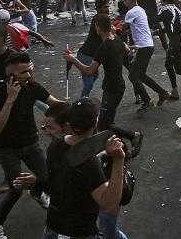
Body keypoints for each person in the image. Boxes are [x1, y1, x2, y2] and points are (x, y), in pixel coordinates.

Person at [14, 100, 128, 239]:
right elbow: (109, 205)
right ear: (95, 122)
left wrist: (37, 182)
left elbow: (59, 184)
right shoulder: (89, 163)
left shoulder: (55, 146)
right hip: (78, 232)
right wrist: (118, 160)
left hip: (53, 227)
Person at [0, 52, 64, 239]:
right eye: (23, 73)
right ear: (10, 74)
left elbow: (54, 104)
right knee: (16, 189)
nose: (28, 76)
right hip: (8, 149)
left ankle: (37, 192)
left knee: (46, 177)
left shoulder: (32, 87)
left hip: (31, 143)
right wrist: (10, 100)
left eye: (29, 71)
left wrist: (75, 110)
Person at [63, 14, 143, 155]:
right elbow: (127, 50)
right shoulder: (116, 39)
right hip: (117, 85)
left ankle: (132, 138)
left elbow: (89, 71)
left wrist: (72, 59)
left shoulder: (104, 46)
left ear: (98, 27)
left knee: (104, 125)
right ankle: (126, 144)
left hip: (112, 88)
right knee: (106, 123)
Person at [123, 0, 169, 111]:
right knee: (141, 75)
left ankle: (147, 101)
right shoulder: (140, 10)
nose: (124, 2)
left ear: (131, 0)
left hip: (143, 47)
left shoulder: (130, 12)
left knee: (133, 76)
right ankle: (162, 93)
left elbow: (123, 29)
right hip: (148, 45)